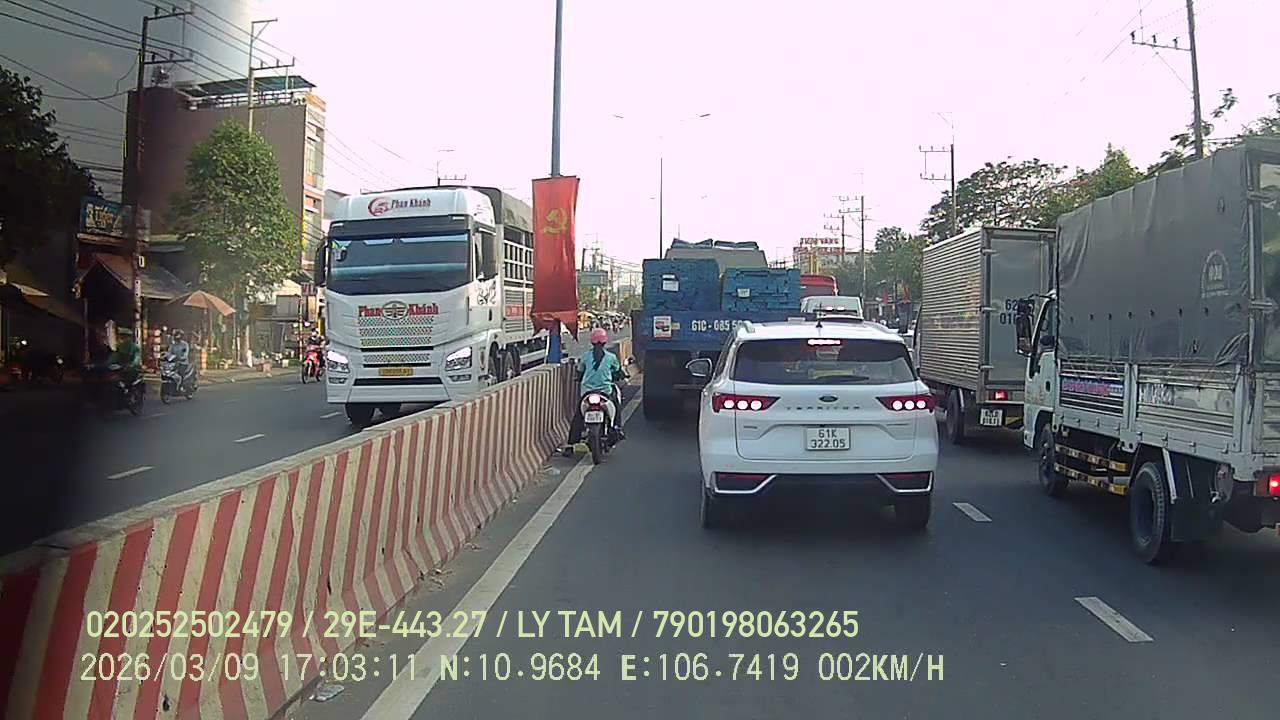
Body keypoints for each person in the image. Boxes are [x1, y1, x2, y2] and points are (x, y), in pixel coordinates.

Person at [563, 327, 627, 452]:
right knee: (616, 405)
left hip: (587, 392)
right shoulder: (611, 357)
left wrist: (578, 377)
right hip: (605, 392)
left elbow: (580, 372)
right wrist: (621, 375)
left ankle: (570, 444)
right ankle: (617, 428)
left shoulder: (585, 357)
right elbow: (618, 371)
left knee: (578, 417)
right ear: (605, 342)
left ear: (592, 342)